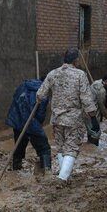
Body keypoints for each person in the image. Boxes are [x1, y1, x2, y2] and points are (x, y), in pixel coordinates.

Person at [36, 48, 99, 181]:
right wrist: (93, 117)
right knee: (71, 148)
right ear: (76, 60)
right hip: (73, 119)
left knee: (61, 147)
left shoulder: (53, 73)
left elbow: (40, 95)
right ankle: (62, 178)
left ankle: (63, 175)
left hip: (56, 118)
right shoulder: (80, 75)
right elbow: (86, 98)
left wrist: (40, 99)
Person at [5, 79, 52, 174]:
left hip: (17, 121)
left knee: (19, 146)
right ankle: (47, 172)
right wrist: (38, 126)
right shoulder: (43, 93)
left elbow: (15, 100)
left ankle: (15, 171)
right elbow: (40, 115)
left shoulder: (22, 86)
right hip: (31, 122)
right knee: (44, 148)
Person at [85, 73, 107, 145]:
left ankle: (89, 147)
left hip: (88, 111)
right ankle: (93, 149)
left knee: (91, 131)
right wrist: (106, 115)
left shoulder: (97, 82)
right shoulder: (102, 90)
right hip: (92, 113)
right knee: (96, 133)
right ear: (106, 81)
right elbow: (101, 105)